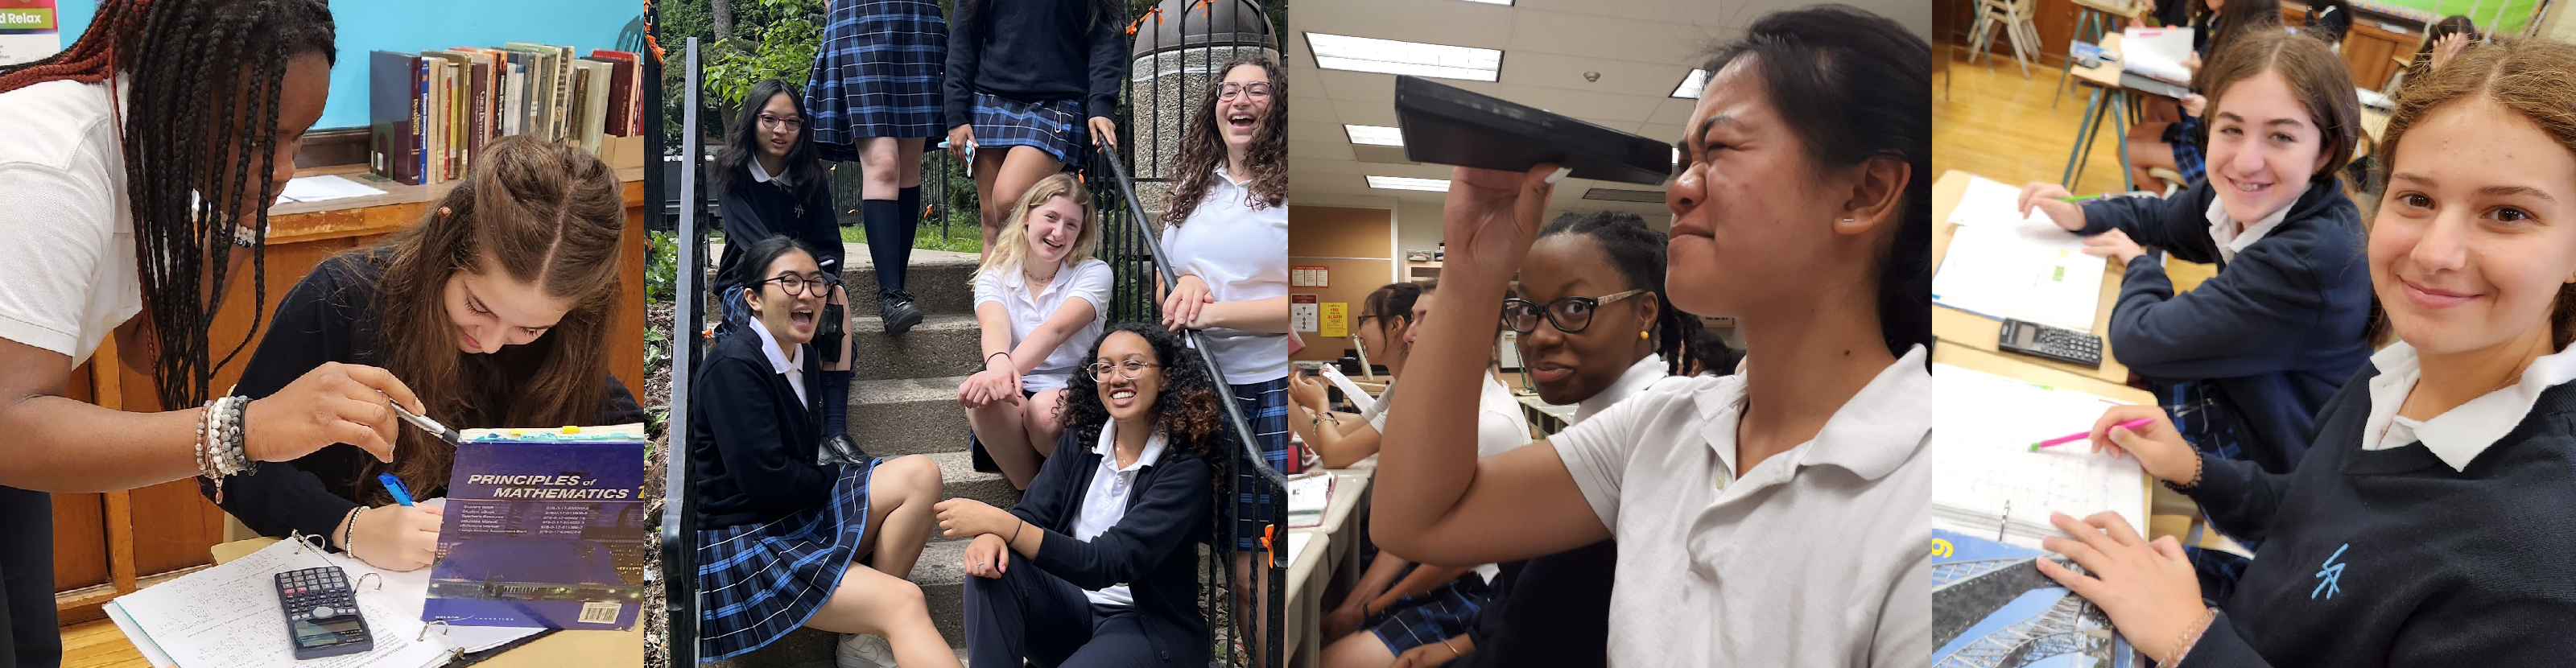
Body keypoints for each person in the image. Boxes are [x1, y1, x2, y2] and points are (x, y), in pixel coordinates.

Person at [1368, 6, 1932, 666]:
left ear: (1864, 193)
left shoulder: (1920, 499)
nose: (1679, 189)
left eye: (1717, 151)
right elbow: (1416, 520)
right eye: (1686, 158)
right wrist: (1471, 269)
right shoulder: (1663, 427)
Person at [2041, 37, 2576, 666]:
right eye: (2417, 199)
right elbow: (2305, 525)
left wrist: (2192, 641)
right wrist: (2191, 465)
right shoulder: (2394, 375)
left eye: (2508, 213)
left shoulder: (2540, 569)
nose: (2435, 252)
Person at [0, 2, 426, 664]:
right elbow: (9, 427)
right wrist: (245, 429)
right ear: (178, 92)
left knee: (32, 647)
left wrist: (242, 214)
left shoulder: (155, 154)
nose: (285, 168)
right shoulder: (48, 169)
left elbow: (148, 349)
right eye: (260, 142)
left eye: (298, 139)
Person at [214, 137, 643, 572]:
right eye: (477, 307)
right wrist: (348, 525)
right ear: (445, 239)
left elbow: (621, 435)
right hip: (352, 590)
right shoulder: (341, 302)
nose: (493, 342)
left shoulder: (562, 338)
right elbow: (231, 467)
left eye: (529, 328)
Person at [2020, 29, 2372, 476]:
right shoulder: (2242, 198)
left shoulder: (2306, 260)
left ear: (2324, 153)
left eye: (2281, 137)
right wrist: (2083, 212)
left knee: (2084, 393)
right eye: (2232, 129)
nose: (2246, 161)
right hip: (2242, 388)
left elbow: (2138, 340)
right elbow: (2162, 219)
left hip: (2269, 457)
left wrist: (2142, 267)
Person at [1424, 211, 1734, 668]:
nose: (1540, 337)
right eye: (1527, 310)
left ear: (1645, 312)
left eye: (1575, 309)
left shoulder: (1661, 437)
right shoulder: (1598, 417)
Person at [691, 237, 954, 668]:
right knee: (904, 601)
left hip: (792, 509)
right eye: (790, 282)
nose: (808, 294)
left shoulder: (802, 355)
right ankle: (878, 619)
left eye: (816, 283)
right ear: (753, 298)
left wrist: (832, 476)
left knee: (922, 474)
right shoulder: (733, 368)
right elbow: (768, 483)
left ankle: (858, 638)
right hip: (747, 540)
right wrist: (834, 477)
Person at [934, 322, 1222, 668]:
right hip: (1075, 614)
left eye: (1133, 365)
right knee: (991, 568)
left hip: (1146, 627)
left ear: (1165, 378)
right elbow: (1034, 512)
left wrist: (1000, 523)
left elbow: (1106, 562)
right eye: (1105, 367)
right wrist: (991, 535)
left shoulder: (1184, 468)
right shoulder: (1084, 440)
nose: (1116, 378)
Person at [1315, 278, 1530, 668]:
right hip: (1437, 563)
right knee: (1326, 609)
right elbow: (1415, 525)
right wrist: (1354, 605)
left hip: (1477, 587)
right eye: (1411, 319)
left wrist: (1363, 611)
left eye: (1425, 320)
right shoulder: (1438, 400)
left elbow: (1453, 558)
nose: (1410, 333)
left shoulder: (1488, 421)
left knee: (1332, 659)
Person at [713, 78, 861, 443]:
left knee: (835, 296)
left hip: (802, 279)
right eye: (770, 119)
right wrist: (797, 282)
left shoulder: (809, 176)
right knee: (793, 309)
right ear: (753, 120)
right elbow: (754, 245)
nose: (781, 130)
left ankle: (837, 433)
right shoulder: (731, 171)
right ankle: (806, 433)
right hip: (746, 282)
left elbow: (829, 245)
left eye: (792, 122)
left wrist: (818, 280)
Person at [962, 171, 1113, 489]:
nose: (1059, 232)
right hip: (1017, 393)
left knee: (1045, 410)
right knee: (984, 399)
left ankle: (1059, 494)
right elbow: (994, 323)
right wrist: (998, 365)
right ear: (1028, 216)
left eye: (1071, 224)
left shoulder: (1094, 273)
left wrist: (999, 371)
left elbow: (1055, 330)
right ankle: (1032, 494)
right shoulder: (997, 274)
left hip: (1070, 390)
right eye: (1051, 217)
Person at [943, 0, 1127, 256]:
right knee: (993, 227)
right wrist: (956, 116)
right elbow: (963, 40)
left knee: (1009, 200)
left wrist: (1101, 106)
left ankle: (1036, 289)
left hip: (1056, 100)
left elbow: (1108, 35)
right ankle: (993, 297)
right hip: (988, 97)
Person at [806, 0, 947, 334]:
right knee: (884, 165)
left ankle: (896, 291)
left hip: (917, 19)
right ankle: (891, 293)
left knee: (909, 168)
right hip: (861, 15)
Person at [2123, 0, 2285, 190]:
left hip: (2219, 147)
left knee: (2126, 152)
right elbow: (2194, 54)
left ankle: (2180, 215)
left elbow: (2248, 117)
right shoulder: (2221, 22)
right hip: (2206, 131)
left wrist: (2207, 107)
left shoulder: (2253, 49)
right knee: (2138, 130)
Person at [1285, 282, 1421, 468]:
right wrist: (1286, 397)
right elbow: (1327, 442)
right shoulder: (1399, 388)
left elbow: (1333, 455)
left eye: (1364, 320)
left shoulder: (1414, 394)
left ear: (1395, 325)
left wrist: (1320, 404)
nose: (1359, 333)